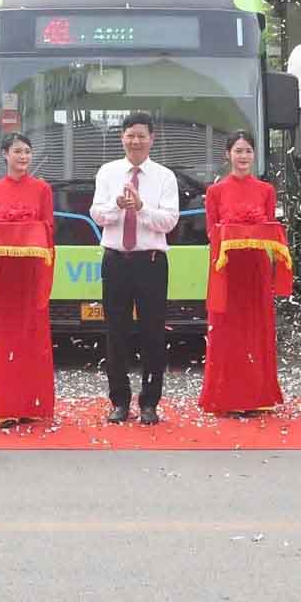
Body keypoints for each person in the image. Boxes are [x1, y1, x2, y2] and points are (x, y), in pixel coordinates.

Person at [92, 111, 181, 425]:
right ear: (122, 137)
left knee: (153, 333)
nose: (136, 141)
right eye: (130, 135)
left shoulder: (164, 177)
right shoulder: (108, 172)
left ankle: (149, 403)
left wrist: (142, 209)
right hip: (115, 260)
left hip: (151, 262)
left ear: (152, 139)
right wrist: (116, 207)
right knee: (115, 333)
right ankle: (119, 401)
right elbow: (97, 213)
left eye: (142, 135)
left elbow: (170, 220)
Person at [0, 132, 56, 424]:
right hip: (3, 273)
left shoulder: (42, 189)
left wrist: (26, 229)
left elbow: (48, 226)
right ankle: (0, 406)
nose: (23, 157)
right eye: (18, 151)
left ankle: (30, 405)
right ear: (5, 154)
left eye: (27, 152)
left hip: (30, 271)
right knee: (1, 334)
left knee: (30, 334)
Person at [199, 131, 287, 416]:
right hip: (228, 269)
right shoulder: (215, 192)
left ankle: (257, 396)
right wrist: (232, 234)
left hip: (256, 269)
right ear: (228, 155)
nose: (243, 156)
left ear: (254, 155)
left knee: (257, 328)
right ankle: (226, 397)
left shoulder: (266, 190)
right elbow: (212, 232)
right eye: (238, 151)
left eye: (248, 151)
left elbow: (270, 227)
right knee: (227, 331)